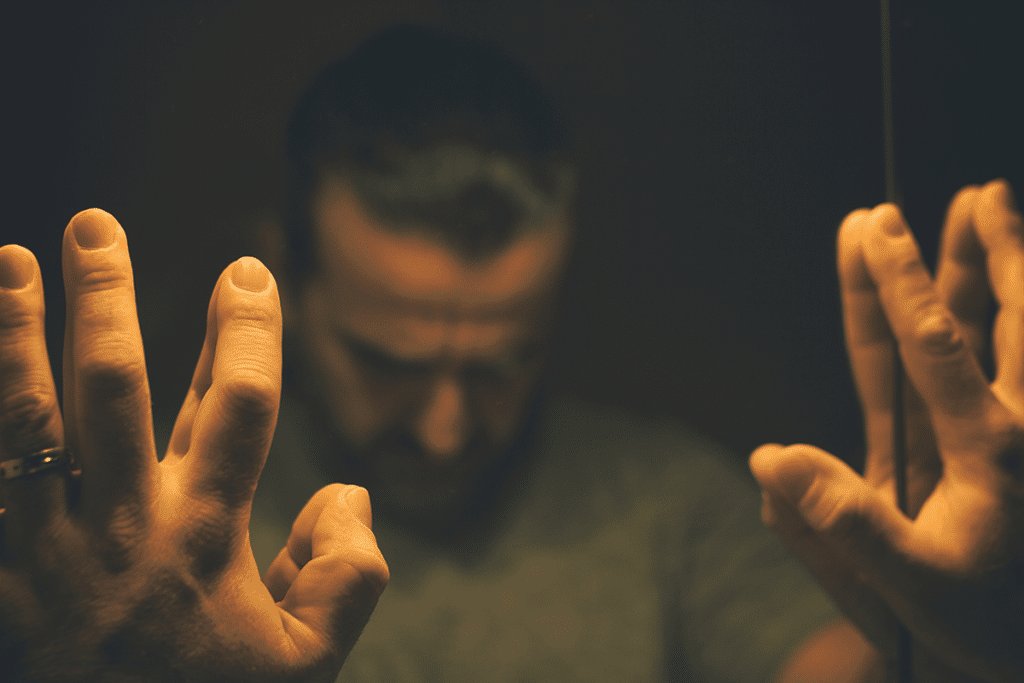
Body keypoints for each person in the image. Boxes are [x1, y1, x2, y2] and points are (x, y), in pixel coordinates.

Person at [0, 24, 1021, 683]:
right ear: (287, 285)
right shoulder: (136, 552)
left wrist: (977, 640)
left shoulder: (671, 505)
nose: (447, 426)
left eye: (501, 363)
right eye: (390, 361)